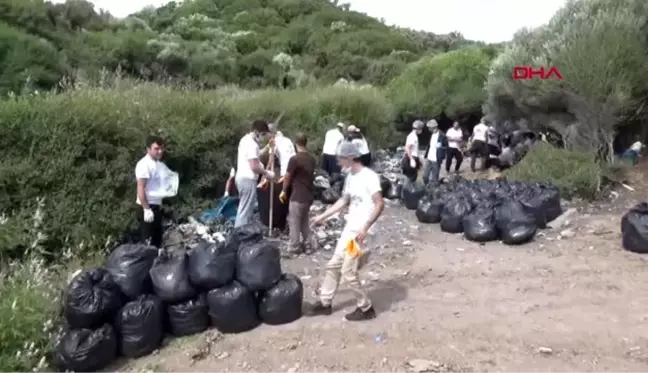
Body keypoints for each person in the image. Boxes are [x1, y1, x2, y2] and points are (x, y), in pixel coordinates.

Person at [306, 141, 384, 321]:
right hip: (350, 231)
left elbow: (380, 203)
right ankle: (325, 303)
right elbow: (343, 201)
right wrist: (321, 217)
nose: (338, 162)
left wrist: (366, 227)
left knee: (348, 270)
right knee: (334, 264)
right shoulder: (350, 177)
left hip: (360, 234)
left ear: (350, 157)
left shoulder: (369, 176)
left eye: (340, 159)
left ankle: (366, 308)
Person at [280, 132, 317, 254]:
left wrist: (284, 191)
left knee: (294, 222)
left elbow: (287, 177)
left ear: (295, 144)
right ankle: (308, 246)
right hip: (308, 196)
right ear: (306, 143)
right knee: (304, 222)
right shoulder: (311, 159)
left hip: (297, 196)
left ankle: (294, 247)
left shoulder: (294, 159)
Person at [234, 119, 275, 228]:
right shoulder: (252, 144)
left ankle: (242, 234)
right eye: (263, 134)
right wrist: (266, 173)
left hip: (242, 178)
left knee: (244, 208)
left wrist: (267, 147)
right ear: (256, 131)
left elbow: (256, 155)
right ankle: (241, 236)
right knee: (245, 211)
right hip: (248, 179)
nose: (263, 137)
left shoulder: (245, 140)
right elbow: (254, 165)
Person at [135, 136, 173, 247]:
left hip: (156, 206)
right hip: (146, 207)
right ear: (148, 149)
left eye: (161, 148)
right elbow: (140, 188)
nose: (160, 151)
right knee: (147, 242)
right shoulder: (144, 165)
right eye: (156, 149)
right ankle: (145, 263)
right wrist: (146, 209)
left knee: (157, 241)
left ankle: (156, 263)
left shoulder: (158, 164)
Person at [422, 119, 446, 185]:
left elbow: (446, 147)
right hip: (429, 158)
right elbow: (429, 146)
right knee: (425, 176)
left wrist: (441, 147)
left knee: (435, 178)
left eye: (429, 127)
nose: (428, 128)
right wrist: (426, 155)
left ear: (434, 127)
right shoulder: (432, 134)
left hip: (436, 160)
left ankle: (435, 192)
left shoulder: (442, 135)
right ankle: (426, 188)